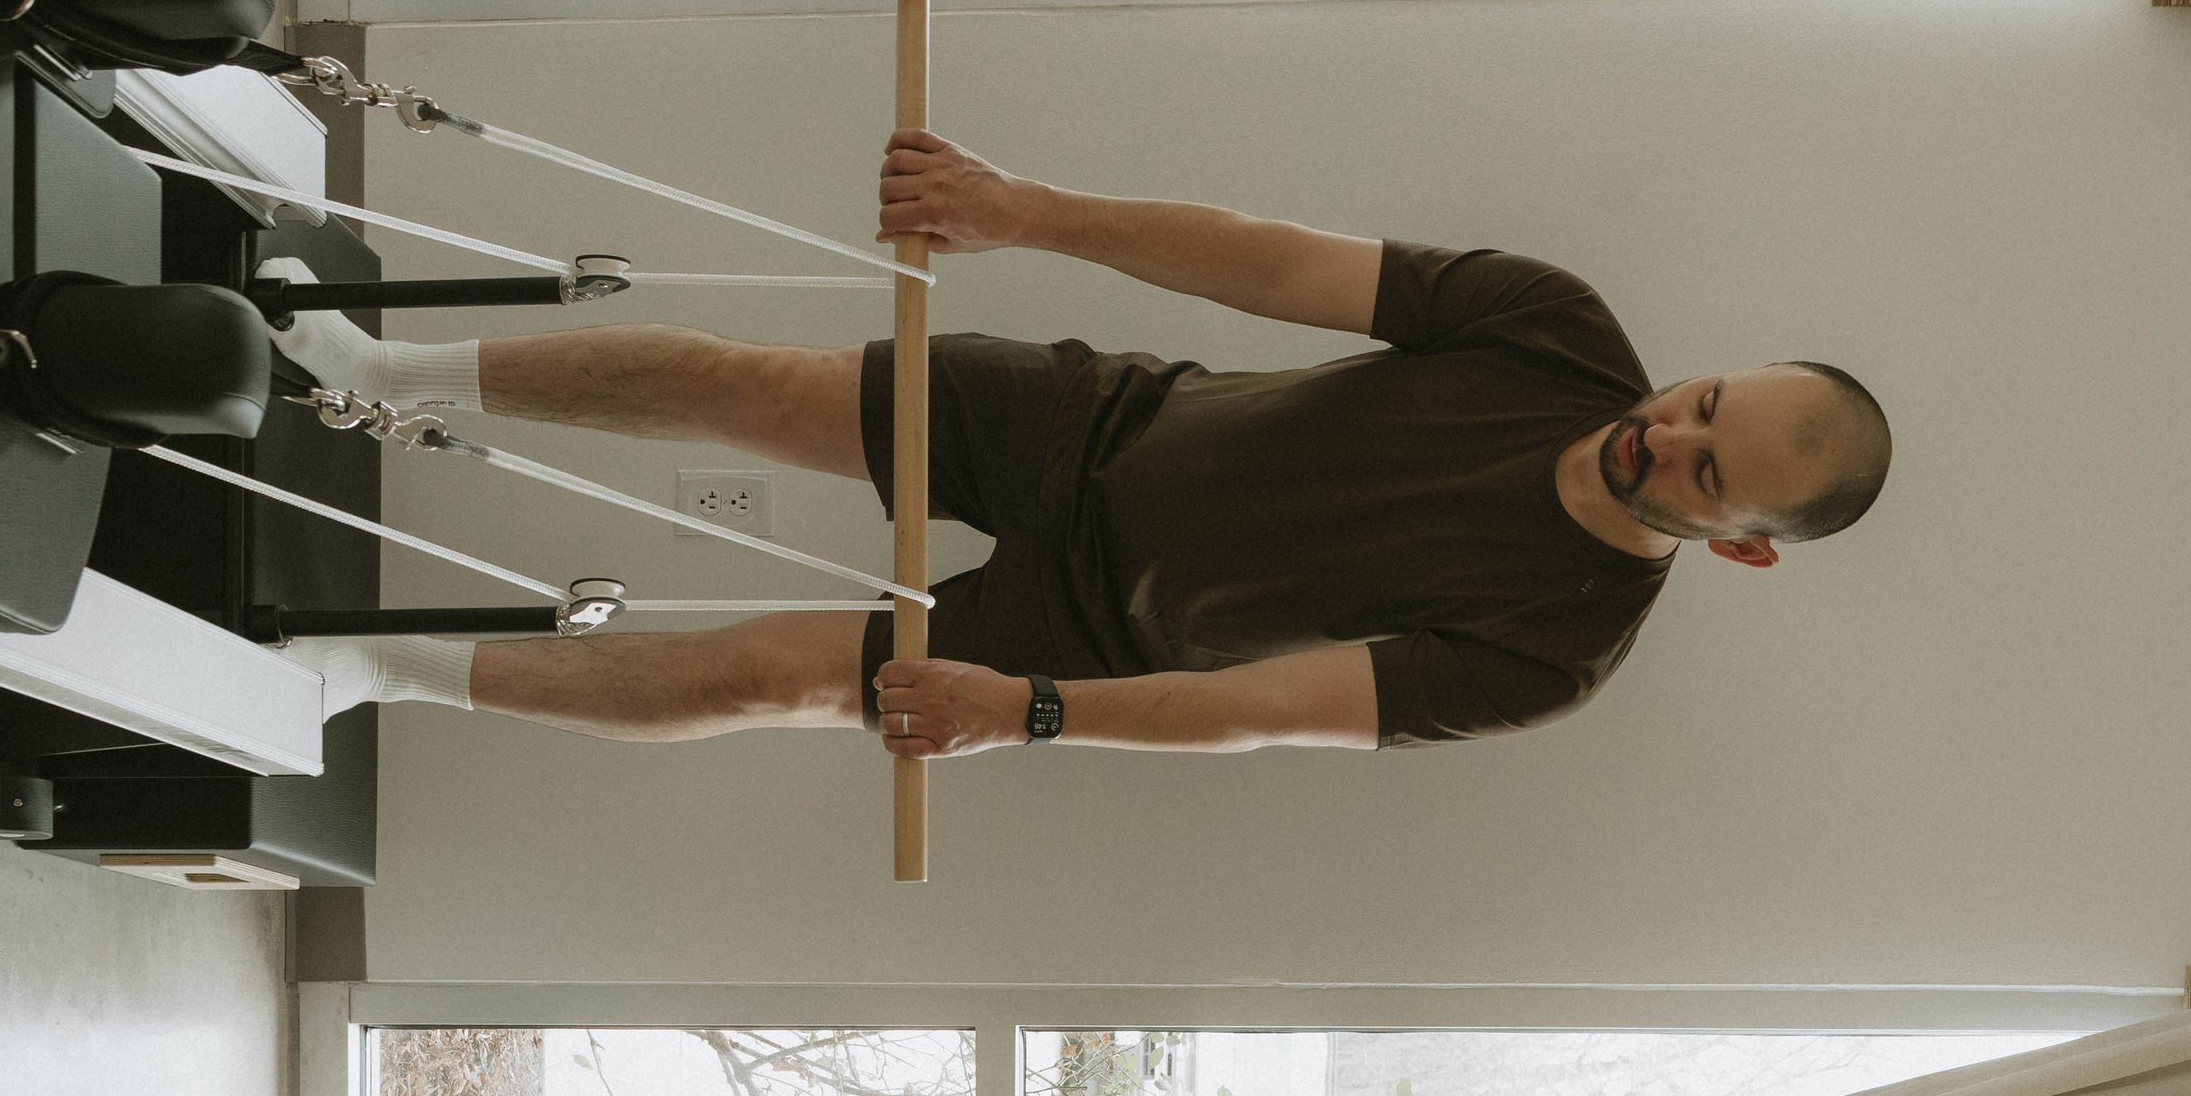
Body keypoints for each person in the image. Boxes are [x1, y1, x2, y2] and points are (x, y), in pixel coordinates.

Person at [267, 134, 1891, 760]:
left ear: (1738, 542)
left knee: (768, 672)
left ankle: (386, 679)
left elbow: (1264, 708)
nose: (1661, 435)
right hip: (1099, 423)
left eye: (1703, 470)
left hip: (1098, 638)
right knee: (739, 382)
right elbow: (1267, 254)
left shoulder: (1560, 652)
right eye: (1696, 402)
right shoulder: (1557, 329)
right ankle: (369, 368)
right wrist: (1024, 212)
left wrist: (1027, 711)